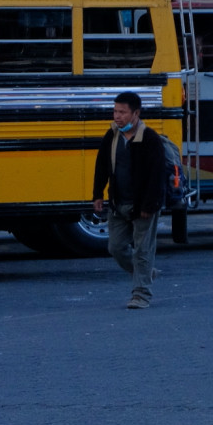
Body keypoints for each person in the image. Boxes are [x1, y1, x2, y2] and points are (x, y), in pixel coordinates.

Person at [91, 91, 171, 309]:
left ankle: (141, 295)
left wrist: (149, 205)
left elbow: (157, 176)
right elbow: (102, 165)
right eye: (115, 111)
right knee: (115, 248)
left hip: (143, 206)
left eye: (122, 112)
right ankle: (145, 274)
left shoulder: (150, 139)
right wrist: (98, 194)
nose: (117, 116)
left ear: (136, 113)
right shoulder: (112, 136)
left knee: (143, 251)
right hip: (118, 204)